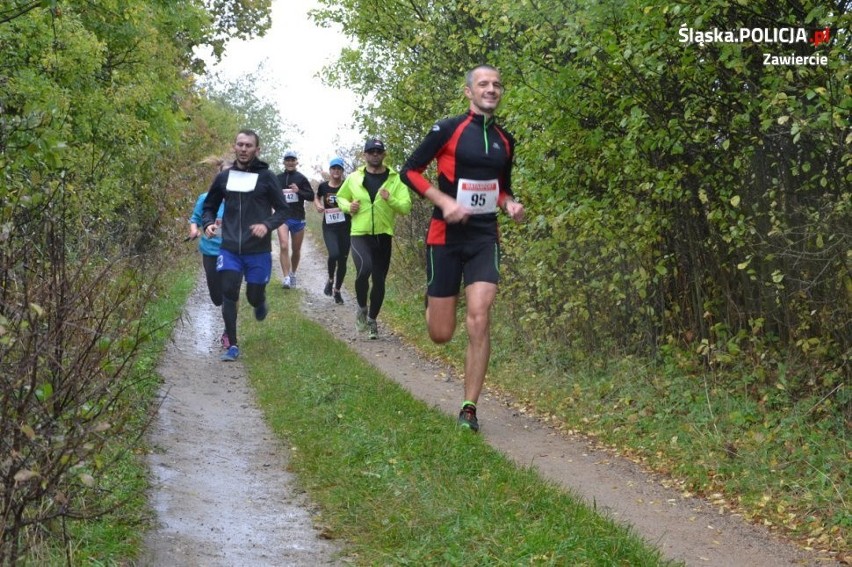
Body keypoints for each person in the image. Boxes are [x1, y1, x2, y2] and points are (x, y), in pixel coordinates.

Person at [400, 64, 525, 432]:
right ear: (469, 92)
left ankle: (469, 408)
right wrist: (444, 202)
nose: (491, 89)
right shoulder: (448, 129)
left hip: (485, 238)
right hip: (445, 238)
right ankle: (433, 302)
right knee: (441, 334)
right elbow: (410, 171)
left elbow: (502, 186)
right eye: (483, 84)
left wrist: (509, 204)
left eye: (497, 85)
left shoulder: (505, 140)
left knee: (480, 316)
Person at [202, 129, 289, 362]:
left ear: (257, 150)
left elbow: (283, 210)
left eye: (248, 145)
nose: (243, 149)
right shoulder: (224, 178)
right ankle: (232, 345)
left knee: (252, 295)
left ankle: (259, 302)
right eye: (240, 144)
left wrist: (266, 225)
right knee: (229, 292)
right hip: (229, 247)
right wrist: (208, 223)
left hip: (257, 250)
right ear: (234, 147)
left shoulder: (267, 177)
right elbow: (208, 206)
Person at [336, 139, 412, 339]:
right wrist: (347, 207)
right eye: (371, 151)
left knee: (379, 280)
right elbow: (340, 197)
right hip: (360, 233)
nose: (375, 154)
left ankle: (372, 320)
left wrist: (390, 198)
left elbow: (405, 207)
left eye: (378, 151)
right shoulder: (353, 178)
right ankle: (361, 307)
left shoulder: (395, 179)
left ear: (384, 154)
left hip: (383, 234)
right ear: (365, 155)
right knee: (364, 269)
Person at [189, 157, 230, 348]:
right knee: (216, 297)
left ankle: (229, 332)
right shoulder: (206, 198)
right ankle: (224, 306)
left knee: (231, 293)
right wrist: (194, 230)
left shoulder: (241, 200)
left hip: (232, 252)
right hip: (210, 251)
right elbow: (195, 218)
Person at [314, 157, 350, 304]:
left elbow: (355, 198)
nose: (336, 171)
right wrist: (317, 205)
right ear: (330, 171)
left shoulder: (347, 185)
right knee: (334, 254)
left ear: (342, 171)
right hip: (329, 227)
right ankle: (330, 279)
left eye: (339, 169)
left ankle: (337, 291)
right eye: (334, 168)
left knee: (343, 260)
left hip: (345, 227)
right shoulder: (323, 186)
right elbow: (315, 197)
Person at [276, 150, 314, 289]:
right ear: (284, 162)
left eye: (293, 160)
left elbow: (311, 196)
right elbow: (270, 195)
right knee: (284, 245)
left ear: (297, 162)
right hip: (283, 218)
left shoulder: (301, 178)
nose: (290, 162)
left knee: (296, 250)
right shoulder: (278, 178)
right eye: (288, 160)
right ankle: (286, 277)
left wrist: (299, 191)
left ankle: (292, 273)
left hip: (298, 218)